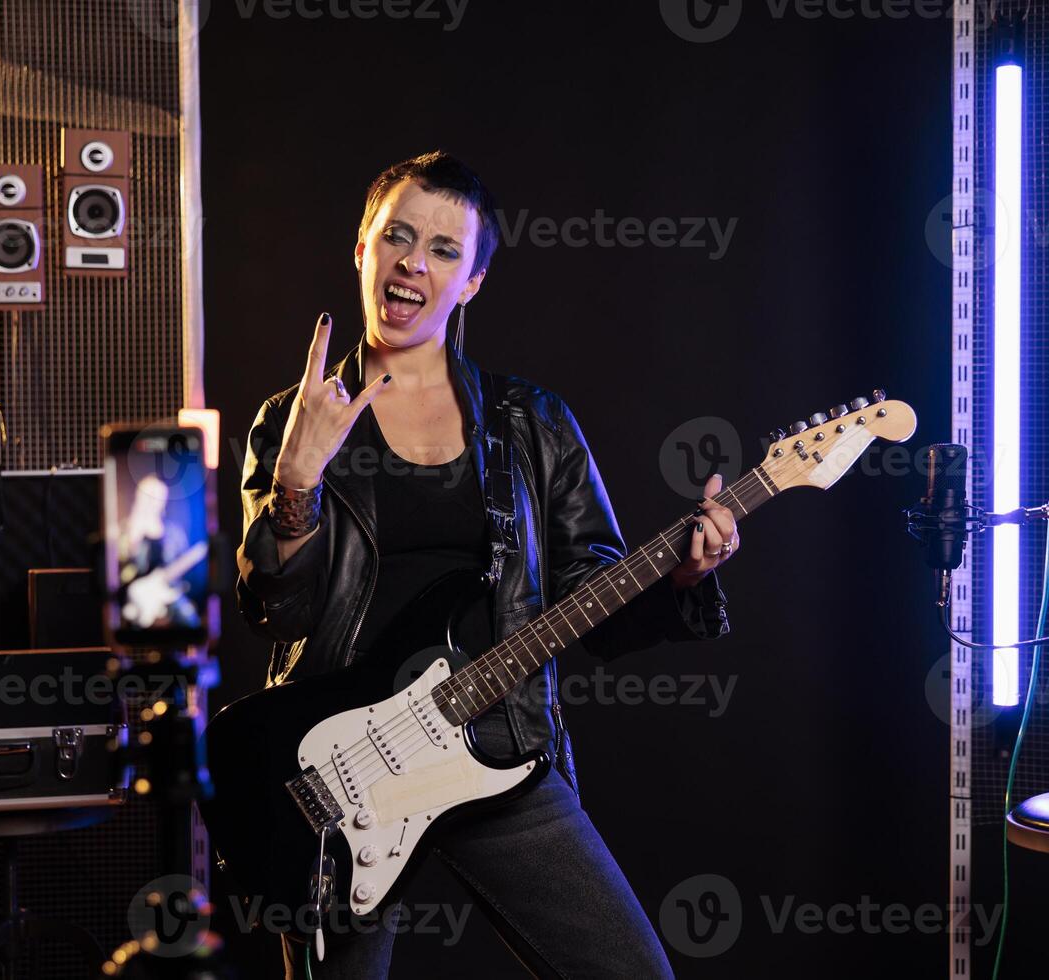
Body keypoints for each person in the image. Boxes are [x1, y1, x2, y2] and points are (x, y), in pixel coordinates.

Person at [236, 150, 738, 978]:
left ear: (470, 283)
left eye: (442, 250)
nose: (412, 262)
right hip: (341, 772)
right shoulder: (294, 420)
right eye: (396, 237)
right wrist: (296, 485)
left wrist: (684, 575)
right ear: (362, 249)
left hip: (498, 744)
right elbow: (277, 613)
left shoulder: (532, 423)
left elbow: (594, 603)